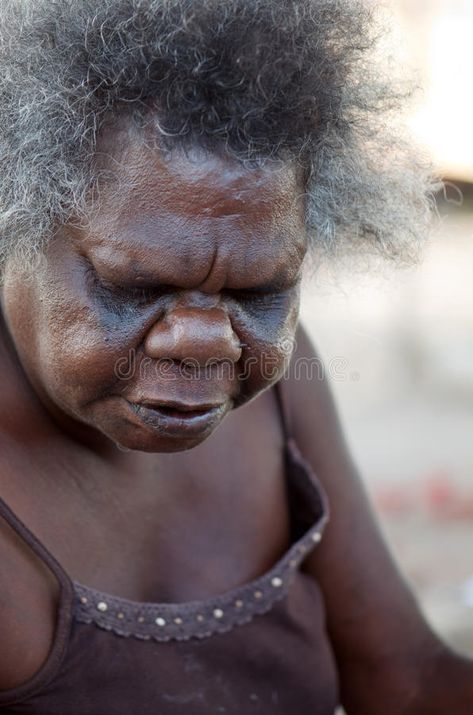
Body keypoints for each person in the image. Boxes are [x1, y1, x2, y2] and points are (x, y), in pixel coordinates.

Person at [0, 0, 471, 713]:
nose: (205, 340)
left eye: (260, 291)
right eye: (134, 286)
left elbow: (399, 674)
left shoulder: (279, 394)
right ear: (17, 218)